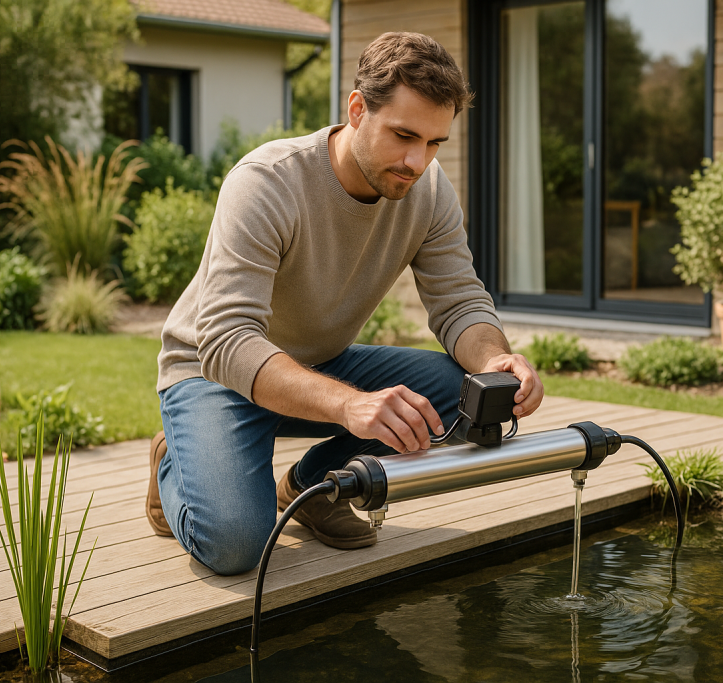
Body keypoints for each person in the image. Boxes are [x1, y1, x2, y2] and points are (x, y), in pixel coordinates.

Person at [146, 32, 544, 576]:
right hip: (212, 374)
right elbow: (228, 339)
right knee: (236, 545)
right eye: (404, 135)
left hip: (320, 363)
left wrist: (496, 360)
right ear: (357, 109)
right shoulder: (267, 182)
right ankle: (174, 461)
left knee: (467, 398)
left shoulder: (427, 190)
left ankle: (311, 488)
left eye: (434, 143)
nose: (416, 161)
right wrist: (349, 407)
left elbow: (459, 301)